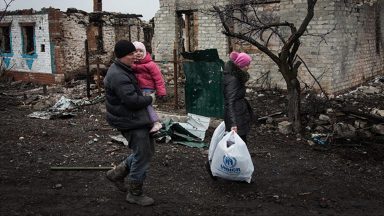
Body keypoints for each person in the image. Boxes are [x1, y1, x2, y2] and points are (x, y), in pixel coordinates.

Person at [104, 40, 155, 206]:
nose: (135, 56)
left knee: (146, 151)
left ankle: (116, 174)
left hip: (132, 117)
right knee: (142, 155)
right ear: (121, 56)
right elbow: (132, 101)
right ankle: (135, 193)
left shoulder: (124, 69)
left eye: (135, 53)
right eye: (131, 54)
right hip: (129, 120)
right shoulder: (118, 75)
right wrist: (150, 98)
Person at [132, 41, 166, 134]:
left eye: (141, 51)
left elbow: (158, 78)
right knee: (140, 107)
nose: (138, 53)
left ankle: (156, 122)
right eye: (135, 51)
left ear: (145, 52)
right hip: (138, 90)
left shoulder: (150, 64)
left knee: (147, 106)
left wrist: (161, 92)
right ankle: (147, 124)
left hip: (148, 89)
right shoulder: (132, 64)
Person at [223, 51, 254, 144]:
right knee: (236, 143)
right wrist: (233, 123)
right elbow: (230, 101)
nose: (248, 67)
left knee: (239, 142)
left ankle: (239, 157)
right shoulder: (234, 80)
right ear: (240, 65)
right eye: (247, 65)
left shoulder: (235, 77)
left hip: (239, 113)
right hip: (236, 116)